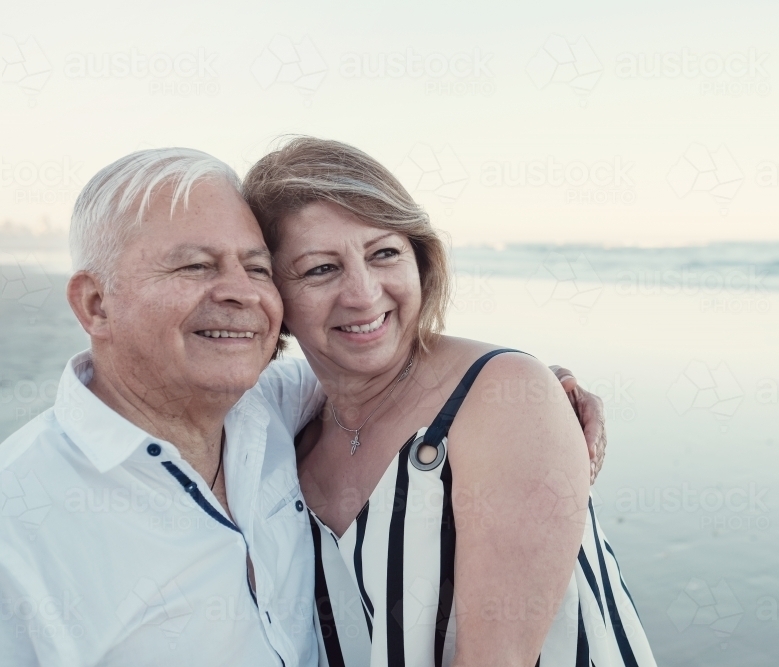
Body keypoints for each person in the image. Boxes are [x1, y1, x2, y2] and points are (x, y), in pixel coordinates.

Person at [0, 148, 606, 666]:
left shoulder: (265, 406)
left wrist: (529, 390)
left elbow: (379, 366)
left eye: (256, 267)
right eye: (195, 265)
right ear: (96, 304)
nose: (238, 292)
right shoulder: (19, 521)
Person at [243, 137, 656, 666]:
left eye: (384, 253)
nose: (364, 294)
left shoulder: (502, 398)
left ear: (420, 259)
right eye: (321, 269)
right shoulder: (288, 433)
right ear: (272, 291)